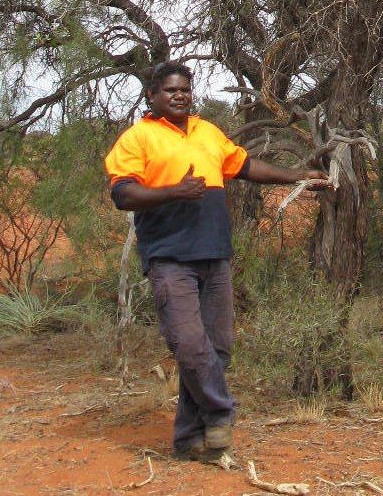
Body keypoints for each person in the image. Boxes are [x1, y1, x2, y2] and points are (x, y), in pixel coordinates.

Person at [104, 60, 327, 464]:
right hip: (170, 258)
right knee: (189, 344)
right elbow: (123, 194)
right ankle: (221, 413)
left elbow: (245, 166)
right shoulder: (137, 138)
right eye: (171, 90)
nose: (180, 96)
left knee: (218, 348)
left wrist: (297, 175)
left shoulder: (207, 131)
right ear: (151, 96)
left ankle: (189, 439)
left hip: (215, 254)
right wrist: (175, 191)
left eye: (186, 90)